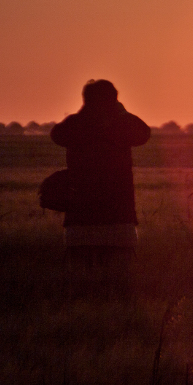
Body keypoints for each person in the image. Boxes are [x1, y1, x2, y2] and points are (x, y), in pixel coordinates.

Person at [51, 80, 151, 294]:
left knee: (81, 289)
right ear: (114, 100)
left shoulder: (76, 125)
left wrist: (84, 114)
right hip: (119, 221)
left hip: (80, 223)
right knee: (120, 288)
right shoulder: (122, 126)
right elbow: (144, 133)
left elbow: (57, 134)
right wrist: (121, 112)